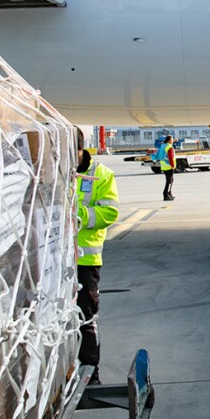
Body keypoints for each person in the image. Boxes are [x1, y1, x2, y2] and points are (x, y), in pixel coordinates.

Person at [75, 126, 119, 384]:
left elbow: (110, 213)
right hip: (56, 259)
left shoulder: (101, 174)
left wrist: (78, 216)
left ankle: (91, 374)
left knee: (85, 317)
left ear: (80, 149)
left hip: (85, 260)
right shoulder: (53, 170)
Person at [160, 134, 176, 201]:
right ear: (169, 140)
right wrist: (172, 165)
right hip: (169, 166)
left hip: (164, 166)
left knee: (170, 180)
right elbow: (170, 157)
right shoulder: (169, 147)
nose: (173, 141)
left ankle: (169, 193)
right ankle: (166, 194)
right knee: (169, 181)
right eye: (172, 140)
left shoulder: (163, 146)